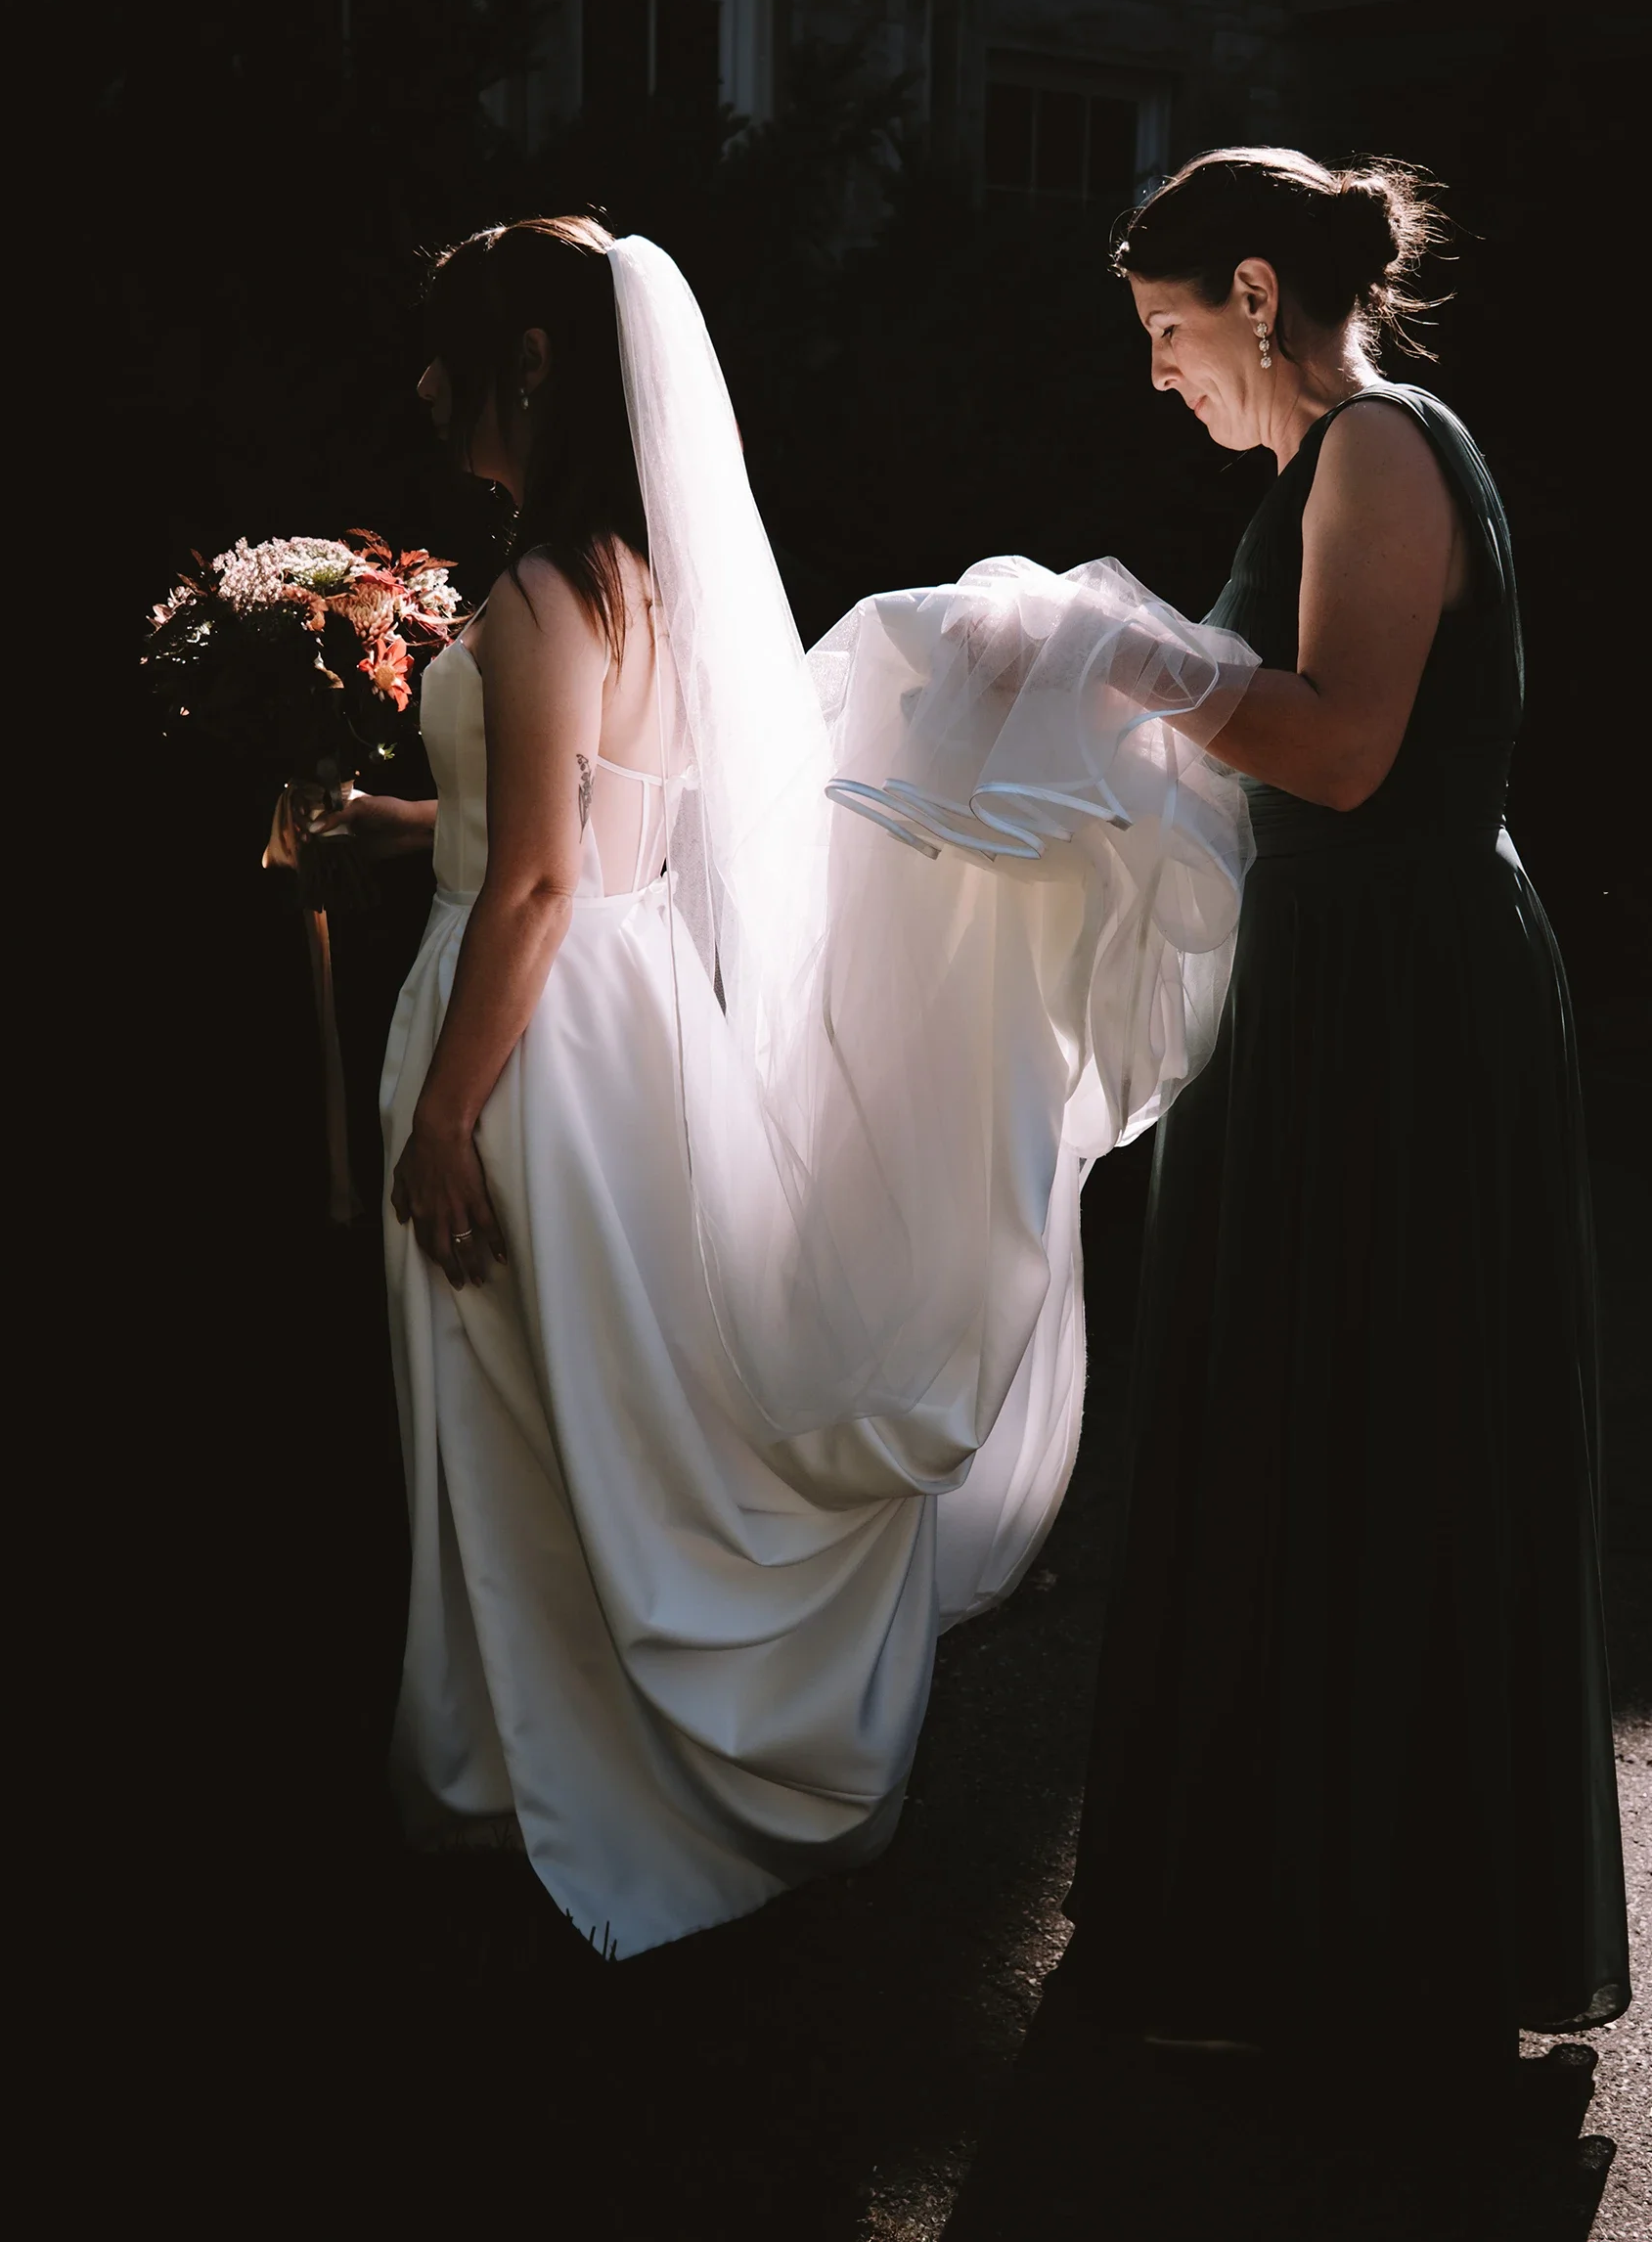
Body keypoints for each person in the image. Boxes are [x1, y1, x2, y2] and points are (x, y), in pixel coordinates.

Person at [326, 217, 1262, 1954]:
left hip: (531, 1030)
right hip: (636, 1011)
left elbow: (535, 882)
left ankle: (530, 1774)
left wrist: (450, 1113)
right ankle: (563, 1751)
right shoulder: (645, 576)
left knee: (525, 1392)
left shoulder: (541, 591)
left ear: (533, 367)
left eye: (450, 348)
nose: (424, 383)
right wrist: (384, 817)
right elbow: (612, 826)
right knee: (601, 1392)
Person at [1054, 148, 1630, 2101]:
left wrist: (1111, 647)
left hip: (1399, 1001)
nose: (1158, 375)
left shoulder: (1383, 447)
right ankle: (1287, 1924)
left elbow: (1344, 745)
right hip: (1326, 986)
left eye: (1165, 332)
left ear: (1251, 289)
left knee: (1372, 1415)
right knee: (1299, 1419)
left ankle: (1367, 1949)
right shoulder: (1325, 471)